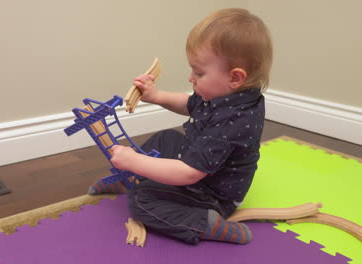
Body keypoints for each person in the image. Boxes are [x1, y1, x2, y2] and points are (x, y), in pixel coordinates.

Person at [88, 8, 272, 245]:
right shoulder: (226, 95)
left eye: (199, 72)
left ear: (235, 78)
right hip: (204, 169)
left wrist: (135, 161)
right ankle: (128, 179)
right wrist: (155, 95)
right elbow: (189, 104)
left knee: (142, 201)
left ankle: (205, 223)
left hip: (212, 194)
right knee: (165, 138)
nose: (190, 77)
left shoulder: (233, 120)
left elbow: (189, 173)